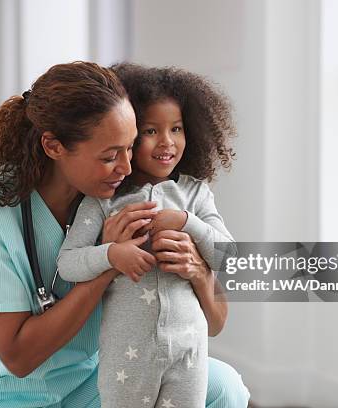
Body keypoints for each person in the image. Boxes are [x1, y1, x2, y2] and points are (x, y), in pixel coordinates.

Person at [0, 61, 250, 407]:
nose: (127, 168)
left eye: (130, 148)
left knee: (224, 388)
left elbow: (214, 322)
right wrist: (108, 260)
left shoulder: (118, 195)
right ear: (53, 146)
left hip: (86, 382)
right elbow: (19, 358)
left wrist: (199, 270)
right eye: (110, 156)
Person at [57, 63, 237, 407]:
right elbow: (69, 262)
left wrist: (186, 222)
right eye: (151, 131)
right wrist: (110, 254)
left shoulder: (196, 195)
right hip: (127, 357)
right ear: (127, 135)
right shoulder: (103, 200)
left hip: (189, 354)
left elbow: (230, 258)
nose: (167, 142)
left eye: (177, 129)